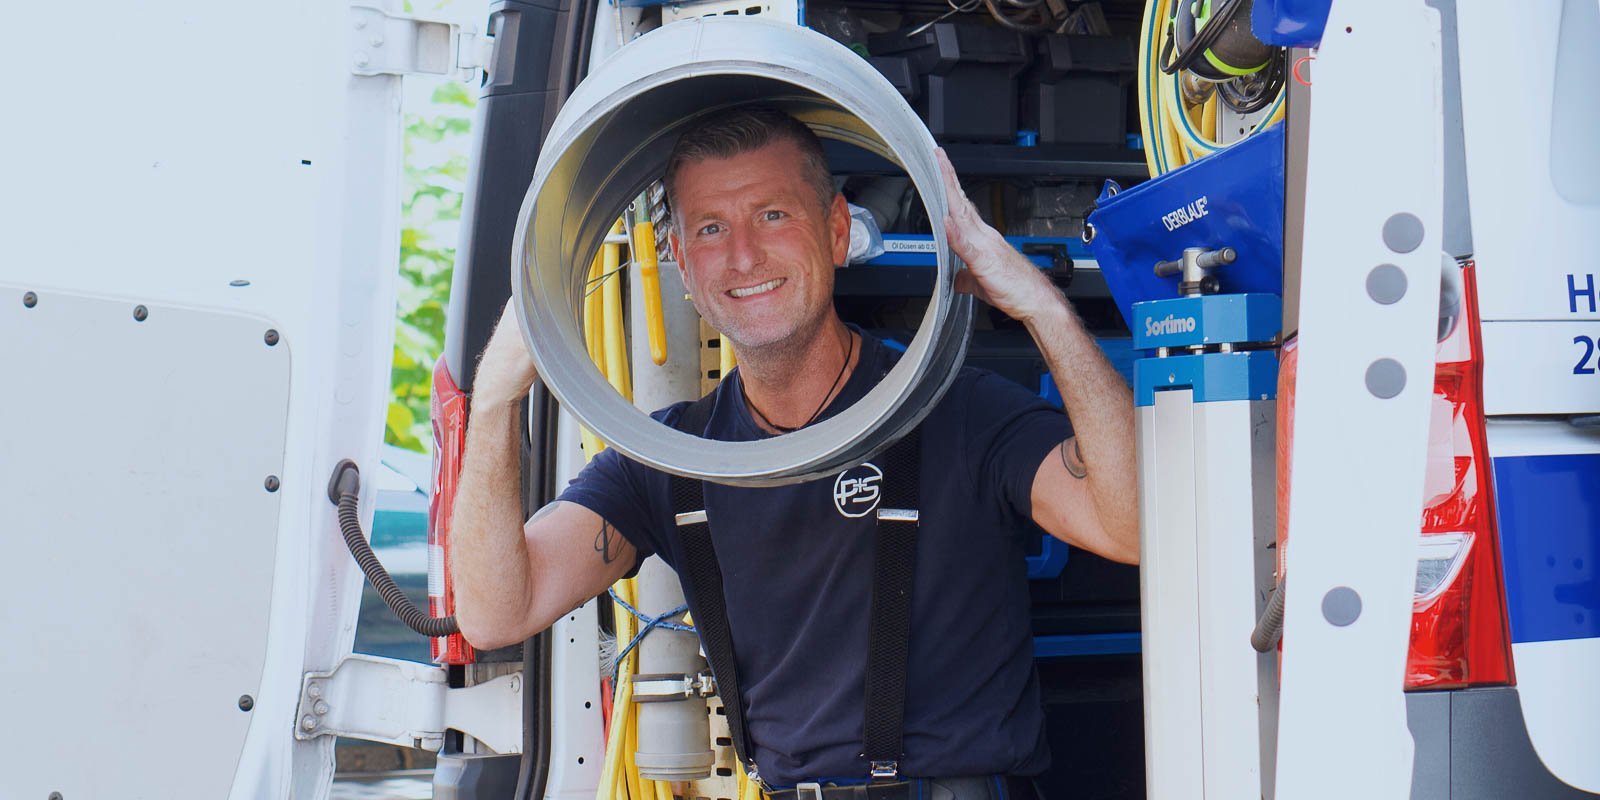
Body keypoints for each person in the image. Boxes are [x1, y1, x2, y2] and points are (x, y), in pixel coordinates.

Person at [450, 105, 1138, 799]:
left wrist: (1041, 306)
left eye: (772, 215)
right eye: (711, 229)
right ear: (682, 264)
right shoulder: (669, 460)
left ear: (837, 231)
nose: (744, 255)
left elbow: (1131, 527)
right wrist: (497, 397)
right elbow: (495, 614)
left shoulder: (961, 413)